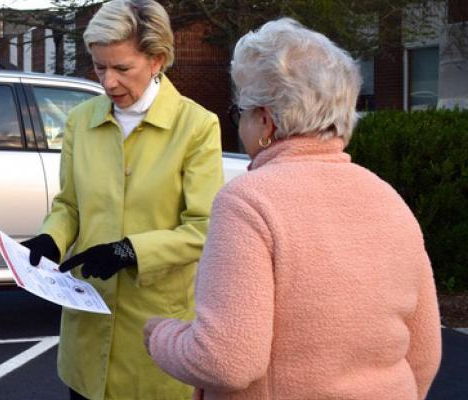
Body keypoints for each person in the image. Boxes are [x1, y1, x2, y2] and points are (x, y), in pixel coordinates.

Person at [144, 18, 442, 399]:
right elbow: (424, 352)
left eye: (241, 113)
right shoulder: (389, 198)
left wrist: (161, 336)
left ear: (265, 120)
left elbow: (224, 360)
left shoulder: (249, 202)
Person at [21, 0, 224, 398]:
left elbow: (204, 227)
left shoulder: (197, 126)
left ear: (157, 60)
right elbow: (69, 207)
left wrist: (131, 251)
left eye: (122, 68)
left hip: (154, 341)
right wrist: (52, 238)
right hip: (86, 336)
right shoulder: (81, 120)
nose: (108, 82)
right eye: (99, 67)